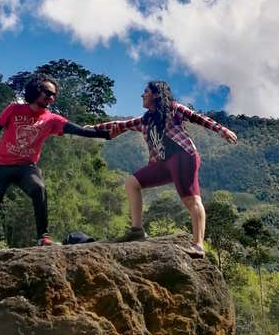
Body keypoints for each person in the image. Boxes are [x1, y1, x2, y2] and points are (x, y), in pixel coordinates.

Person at [93, 80, 238, 258]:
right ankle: (137, 230)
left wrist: (221, 130)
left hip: (183, 156)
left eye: (145, 91)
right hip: (162, 164)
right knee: (132, 183)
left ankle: (199, 246)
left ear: (155, 94)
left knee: (191, 200)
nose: (142, 95)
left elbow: (197, 118)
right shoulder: (144, 121)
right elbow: (120, 124)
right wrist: (91, 130)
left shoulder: (174, 109)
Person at [0, 74, 110, 249]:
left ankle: (43, 237)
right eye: (47, 93)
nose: (51, 98)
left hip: (26, 167)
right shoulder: (13, 109)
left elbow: (80, 131)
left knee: (38, 188)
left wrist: (107, 134)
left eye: (54, 95)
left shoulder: (52, 119)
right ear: (35, 90)